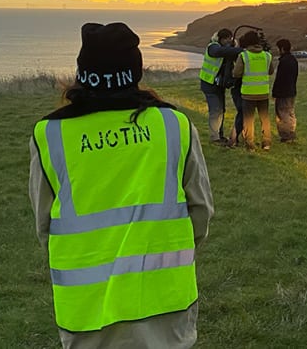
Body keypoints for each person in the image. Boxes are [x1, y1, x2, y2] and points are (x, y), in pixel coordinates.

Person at [28, 22, 214, 348]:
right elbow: (201, 212)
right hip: (164, 299)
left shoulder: (50, 135)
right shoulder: (174, 125)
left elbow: (45, 225)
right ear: (136, 71)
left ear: (81, 73)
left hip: (86, 309)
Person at [231, 30, 274, 151]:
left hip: (248, 93)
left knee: (248, 119)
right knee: (264, 118)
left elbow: (236, 73)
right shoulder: (267, 55)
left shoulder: (244, 56)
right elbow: (270, 71)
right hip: (263, 92)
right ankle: (266, 143)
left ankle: (250, 144)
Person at [199, 28, 242, 144]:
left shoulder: (226, 49)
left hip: (218, 85)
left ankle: (220, 135)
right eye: (226, 39)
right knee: (215, 110)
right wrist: (240, 50)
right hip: (209, 84)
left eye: (230, 39)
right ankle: (215, 138)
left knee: (221, 110)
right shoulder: (212, 47)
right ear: (221, 39)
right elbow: (220, 52)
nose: (228, 41)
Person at [272, 38, 298, 143]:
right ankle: (291, 132)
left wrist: (275, 92)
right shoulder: (293, 60)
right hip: (291, 90)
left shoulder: (284, 61)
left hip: (283, 92)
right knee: (290, 112)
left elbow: (280, 78)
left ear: (282, 49)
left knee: (283, 114)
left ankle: (287, 136)